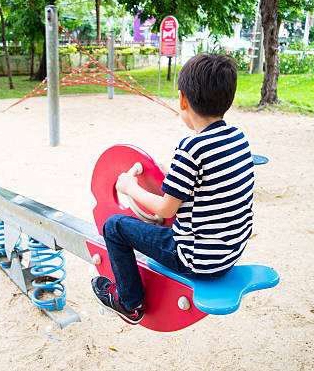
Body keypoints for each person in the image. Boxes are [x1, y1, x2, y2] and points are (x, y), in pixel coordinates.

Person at [91, 53, 255, 324]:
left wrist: (130, 187)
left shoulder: (191, 148)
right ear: (229, 99)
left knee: (115, 226)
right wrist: (173, 174)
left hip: (196, 259)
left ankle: (129, 302)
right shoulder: (239, 139)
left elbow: (166, 207)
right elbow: (209, 183)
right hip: (230, 253)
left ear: (182, 100)